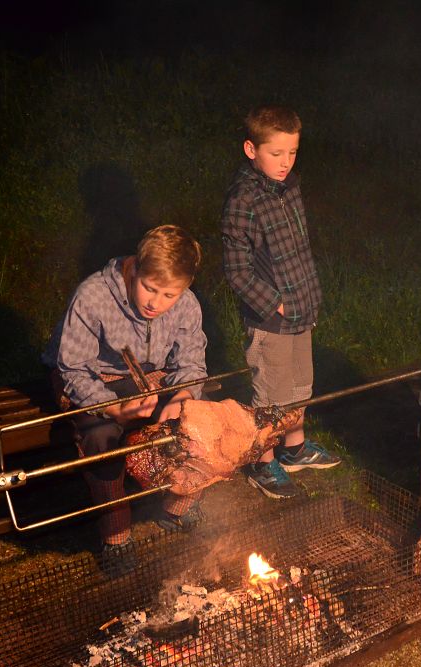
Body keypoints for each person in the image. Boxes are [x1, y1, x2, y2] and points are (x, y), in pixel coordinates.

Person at [43, 225, 208, 576]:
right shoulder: (93, 296)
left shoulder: (186, 304)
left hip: (146, 374)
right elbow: (73, 368)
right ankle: (116, 536)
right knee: (101, 436)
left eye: (169, 295)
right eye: (149, 288)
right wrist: (115, 407)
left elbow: (191, 364)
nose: (155, 303)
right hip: (93, 376)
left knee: (200, 418)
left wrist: (182, 397)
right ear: (135, 268)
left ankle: (176, 507)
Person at [220, 105, 340, 499]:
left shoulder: (288, 187)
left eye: (292, 152)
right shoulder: (243, 199)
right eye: (276, 153)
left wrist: (307, 299)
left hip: (302, 309)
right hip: (270, 319)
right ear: (251, 149)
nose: (285, 162)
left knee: (300, 385)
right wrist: (277, 304)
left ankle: (294, 448)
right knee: (271, 395)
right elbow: (237, 271)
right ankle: (263, 461)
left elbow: (298, 250)